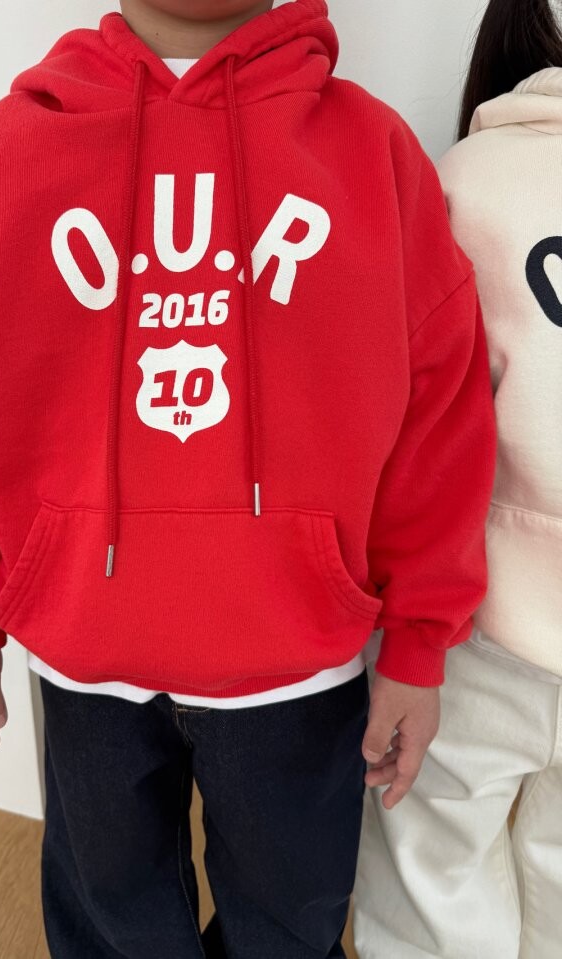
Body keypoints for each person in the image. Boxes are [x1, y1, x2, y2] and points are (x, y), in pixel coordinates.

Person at [0, 0, 496, 956]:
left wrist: (420, 640)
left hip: (296, 662)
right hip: (84, 653)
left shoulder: (369, 153)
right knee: (112, 922)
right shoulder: (14, 149)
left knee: (288, 923)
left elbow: (439, 407)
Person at [352, 1, 562, 957]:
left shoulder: (465, 180)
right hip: (472, 624)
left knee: (432, 861)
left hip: (473, 621)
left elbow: (411, 421)